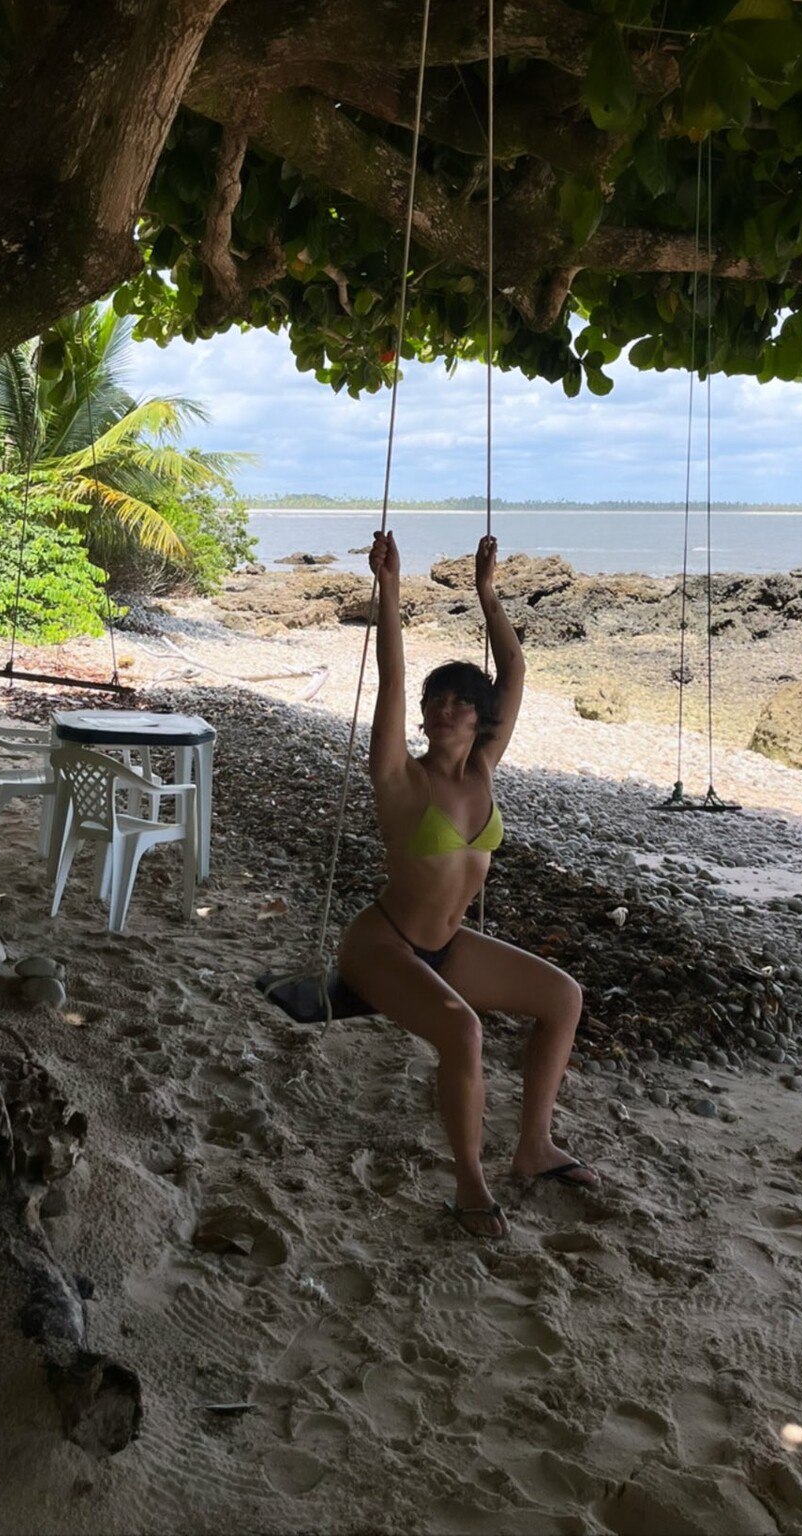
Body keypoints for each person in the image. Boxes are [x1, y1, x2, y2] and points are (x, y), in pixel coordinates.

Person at [336, 529, 598, 1239]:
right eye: (438, 700)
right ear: (424, 714)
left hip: (446, 948)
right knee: (463, 1029)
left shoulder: (483, 770)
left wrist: (487, 592)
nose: (446, 708)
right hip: (382, 947)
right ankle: (470, 1185)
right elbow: (393, 681)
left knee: (564, 998)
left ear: (481, 718)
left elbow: (513, 668)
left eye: (461, 701)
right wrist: (390, 588)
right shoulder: (400, 777)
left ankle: (534, 1146)